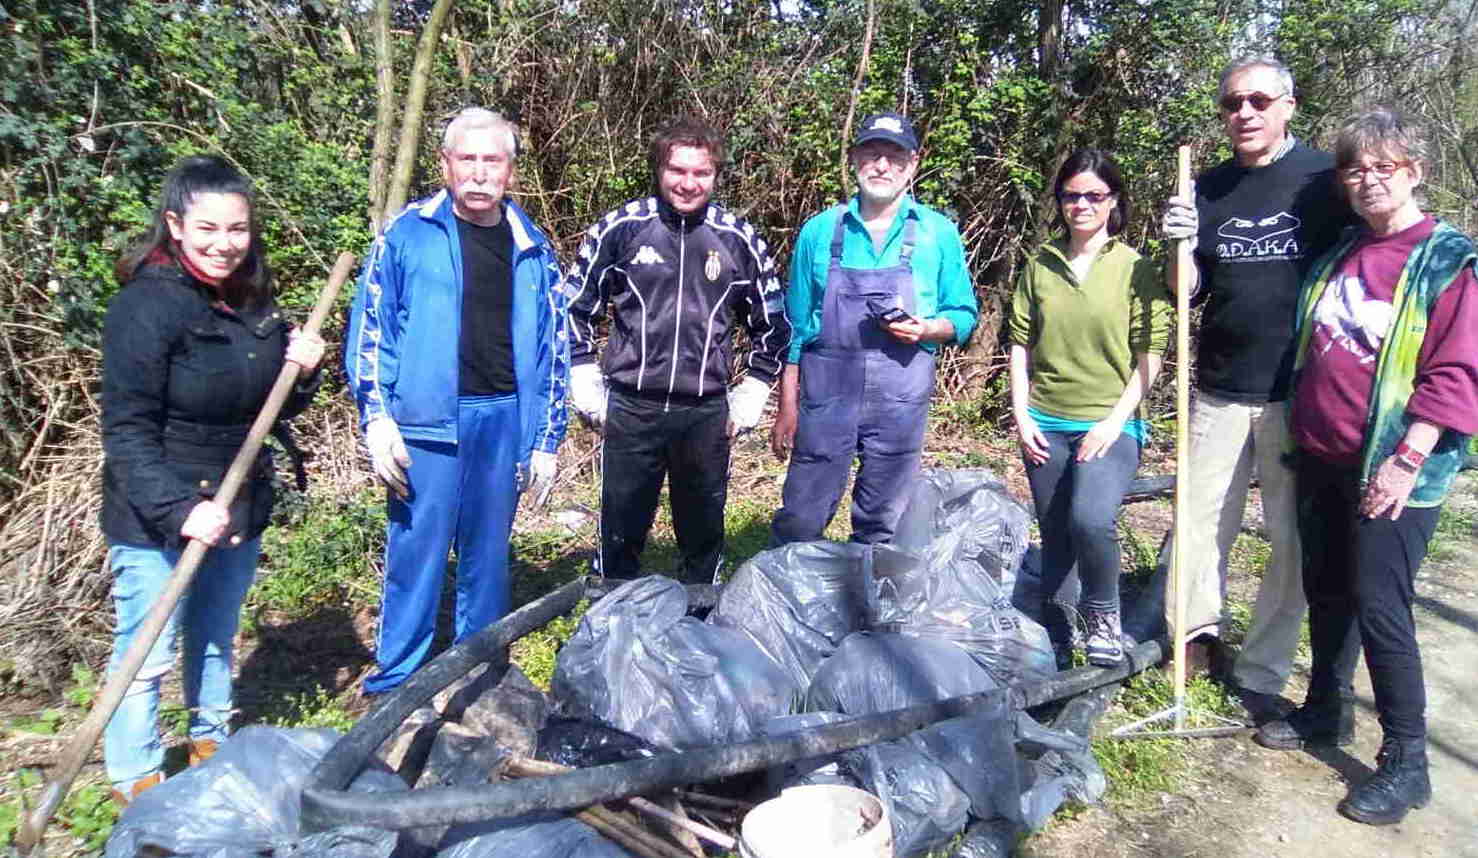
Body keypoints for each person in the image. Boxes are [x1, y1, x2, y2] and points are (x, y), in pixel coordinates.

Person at [1252, 108, 1478, 825]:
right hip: (1322, 454)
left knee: (1382, 609)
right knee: (1329, 592)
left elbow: (1457, 372)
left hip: (1395, 466)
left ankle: (1406, 762)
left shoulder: (1447, 258)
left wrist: (1406, 459)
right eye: (1355, 167)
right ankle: (1327, 709)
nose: (1368, 178)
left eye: (1384, 165)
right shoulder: (1344, 249)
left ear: (1417, 171)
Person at [100, 155, 326, 804]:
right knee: (147, 653)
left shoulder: (252, 297)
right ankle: (134, 778)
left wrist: (302, 372)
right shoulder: (145, 307)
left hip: (239, 499)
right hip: (157, 512)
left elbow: (271, 406)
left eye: (238, 229)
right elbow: (127, 432)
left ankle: (210, 744)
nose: (224, 245)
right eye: (207, 230)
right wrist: (179, 508)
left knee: (215, 637)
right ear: (174, 225)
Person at [345, 108, 569, 694]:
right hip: (425, 424)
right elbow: (373, 330)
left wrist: (546, 438)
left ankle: (479, 673)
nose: (477, 172)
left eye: (491, 160)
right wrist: (376, 417)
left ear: (510, 172)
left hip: (502, 419)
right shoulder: (407, 233)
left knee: (488, 556)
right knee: (416, 554)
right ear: (444, 165)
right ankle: (397, 683)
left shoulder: (533, 246)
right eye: (465, 159)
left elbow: (555, 347)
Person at [1159, 56, 1353, 708]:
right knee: (1196, 524)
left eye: (1259, 101)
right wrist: (1177, 245)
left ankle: (1264, 671)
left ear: (1288, 106)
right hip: (1217, 387)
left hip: (1297, 394)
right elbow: (1188, 292)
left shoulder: (1325, 181)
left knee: (1289, 542)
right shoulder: (1206, 189)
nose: (1245, 112)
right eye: (1233, 103)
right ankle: (1197, 638)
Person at [565, 115, 790, 583]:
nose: (688, 183)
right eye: (678, 170)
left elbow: (774, 323)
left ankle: (700, 634)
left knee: (702, 534)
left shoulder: (737, 238)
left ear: (716, 175)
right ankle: (608, 632)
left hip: (706, 413)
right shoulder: (622, 228)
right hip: (631, 406)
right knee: (620, 532)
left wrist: (754, 389)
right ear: (659, 169)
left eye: (701, 173)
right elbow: (572, 306)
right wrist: (582, 372)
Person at [770, 112, 977, 545]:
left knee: (884, 526)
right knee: (801, 520)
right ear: (854, 159)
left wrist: (928, 329)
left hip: (899, 404)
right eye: (871, 153)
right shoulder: (820, 231)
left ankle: (872, 606)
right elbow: (794, 330)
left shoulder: (938, 233)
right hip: (826, 400)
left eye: (894, 156)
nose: (881, 166)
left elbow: (963, 315)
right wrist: (787, 408)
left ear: (913, 164)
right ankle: (786, 602)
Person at [1010, 150, 1171, 668]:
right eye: (1071, 195)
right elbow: (1019, 343)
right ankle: (1059, 627)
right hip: (1045, 421)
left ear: (1113, 201)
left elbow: (1152, 355)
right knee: (1055, 528)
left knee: (1091, 518)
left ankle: (1104, 614)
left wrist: (1114, 420)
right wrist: (1021, 412)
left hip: (1112, 421)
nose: (1081, 205)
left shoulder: (1135, 269)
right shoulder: (1041, 265)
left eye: (1094, 196)